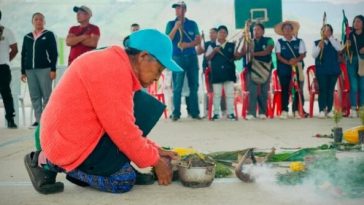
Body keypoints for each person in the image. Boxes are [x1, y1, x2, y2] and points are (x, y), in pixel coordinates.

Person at [24, 29, 182, 194]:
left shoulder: (117, 62)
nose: (158, 77)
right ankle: (46, 161)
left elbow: (125, 124)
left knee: (144, 105)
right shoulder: (113, 70)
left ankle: (109, 165)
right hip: (66, 143)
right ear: (142, 56)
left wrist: (156, 150)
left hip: (83, 133)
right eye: (159, 70)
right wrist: (156, 161)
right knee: (123, 180)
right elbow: (123, 130)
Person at [166, 1, 202, 121]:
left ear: (185, 10)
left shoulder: (193, 24)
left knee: (194, 86)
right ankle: (176, 113)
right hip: (177, 58)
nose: (177, 11)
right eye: (176, 9)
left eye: (180, 8)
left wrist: (187, 45)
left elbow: (198, 40)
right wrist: (176, 28)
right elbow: (168, 39)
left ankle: (194, 112)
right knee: (177, 86)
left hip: (191, 57)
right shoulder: (170, 23)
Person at [20, 13, 58, 128]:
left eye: (41, 19)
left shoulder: (49, 35)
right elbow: (23, 54)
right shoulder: (27, 37)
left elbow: (54, 53)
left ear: (44, 21)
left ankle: (47, 119)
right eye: (36, 19)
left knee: (47, 95)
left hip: (45, 69)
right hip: (30, 71)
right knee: (35, 96)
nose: (38, 21)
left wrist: (53, 69)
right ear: (33, 21)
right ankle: (39, 120)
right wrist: (23, 71)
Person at [241, 23, 274, 120]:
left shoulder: (269, 40)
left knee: (264, 91)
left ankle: (262, 112)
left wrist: (253, 54)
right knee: (252, 91)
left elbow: (267, 51)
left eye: (258, 29)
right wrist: (245, 40)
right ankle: (251, 112)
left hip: (265, 68)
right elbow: (244, 52)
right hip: (252, 68)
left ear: (263, 31)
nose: (256, 31)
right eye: (254, 30)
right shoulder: (250, 41)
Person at [205, 25, 240, 120]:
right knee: (217, 94)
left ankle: (231, 113)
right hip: (216, 73)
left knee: (229, 94)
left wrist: (238, 49)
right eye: (220, 32)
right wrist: (214, 52)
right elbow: (207, 57)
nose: (222, 34)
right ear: (217, 34)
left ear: (227, 34)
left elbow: (236, 57)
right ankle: (216, 114)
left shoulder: (232, 45)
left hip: (229, 73)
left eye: (224, 32)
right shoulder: (212, 45)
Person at [274, 20, 307, 119]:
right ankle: (284, 110)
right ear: (283, 31)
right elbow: (278, 56)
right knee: (284, 89)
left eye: (289, 28)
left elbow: (302, 54)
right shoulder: (279, 42)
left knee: (297, 89)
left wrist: (295, 60)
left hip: (297, 68)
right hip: (283, 68)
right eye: (285, 29)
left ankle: (296, 110)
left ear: (292, 30)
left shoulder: (300, 41)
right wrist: (288, 62)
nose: (287, 30)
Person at [312, 24, 341, 118]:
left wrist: (331, 38)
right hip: (322, 70)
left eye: (328, 30)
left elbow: (339, 49)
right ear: (321, 32)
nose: (326, 32)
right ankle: (321, 109)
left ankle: (329, 109)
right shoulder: (317, 42)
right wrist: (319, 47)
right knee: (323, 89)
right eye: (324, 30)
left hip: (333, 70)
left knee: (330, 90)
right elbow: (314, 55)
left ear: (331, 32)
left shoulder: (335, 41)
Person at [0, 10, 18, 128]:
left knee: (6, 93)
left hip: (3, 67)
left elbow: (15, 49)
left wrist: (6, 60)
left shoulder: (7, 31)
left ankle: (10, 119)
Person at [346, 15, 364, 117]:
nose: (356, 23)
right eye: (355, 21)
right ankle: (353, 109)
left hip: (362, 62)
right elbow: (344, 51)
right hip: (352, 61)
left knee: (362, 86)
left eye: (358, 21)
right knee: (354, 86)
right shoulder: (349, 35)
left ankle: (362, 108)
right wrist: (346, 45)